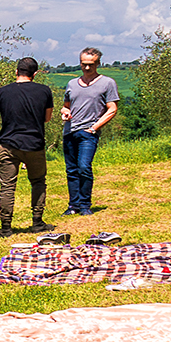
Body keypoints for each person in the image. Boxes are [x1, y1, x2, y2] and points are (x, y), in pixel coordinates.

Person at [0, 57, 57, 237]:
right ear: (35, 74)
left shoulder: (2, 92)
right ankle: (37, 222)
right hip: (35, 144)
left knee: (8, 186)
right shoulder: (44, 91)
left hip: (9, 144)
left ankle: (6, 228)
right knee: (38, 182)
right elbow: (47, 118)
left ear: (16, 72)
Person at [60, 47, 120, 216]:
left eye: (91, 65)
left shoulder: (107, 83)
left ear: (98, 63)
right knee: (71, 170)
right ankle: (73, 205)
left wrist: (94, 128)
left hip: (89, 133)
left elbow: (112, 109)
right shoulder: (71, 84)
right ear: (80, 63)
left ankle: (85, 205)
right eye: (84, 64)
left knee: (84, 167)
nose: (87, 68)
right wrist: (64, 112)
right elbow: (66, 106)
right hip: (70, 131)